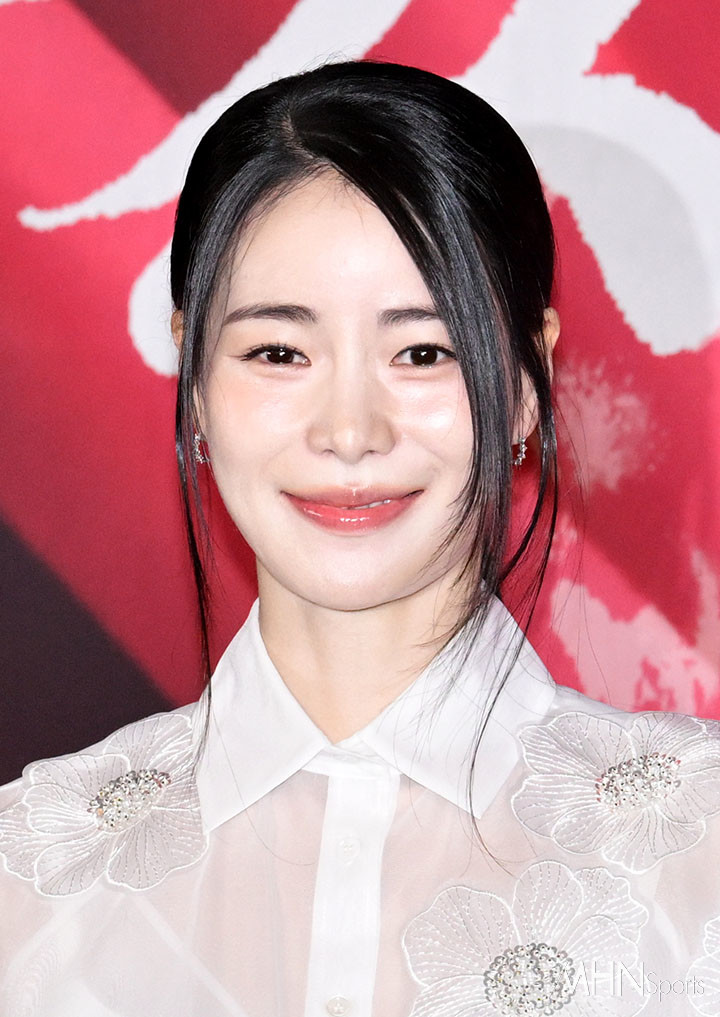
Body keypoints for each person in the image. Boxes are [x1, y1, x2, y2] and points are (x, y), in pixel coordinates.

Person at [1, 58, 718, 1017]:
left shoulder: (701, 853)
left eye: (422, 351)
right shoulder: (27, 883)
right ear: (195, 379)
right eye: (278, 352)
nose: (350, 431)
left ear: (525, 384)